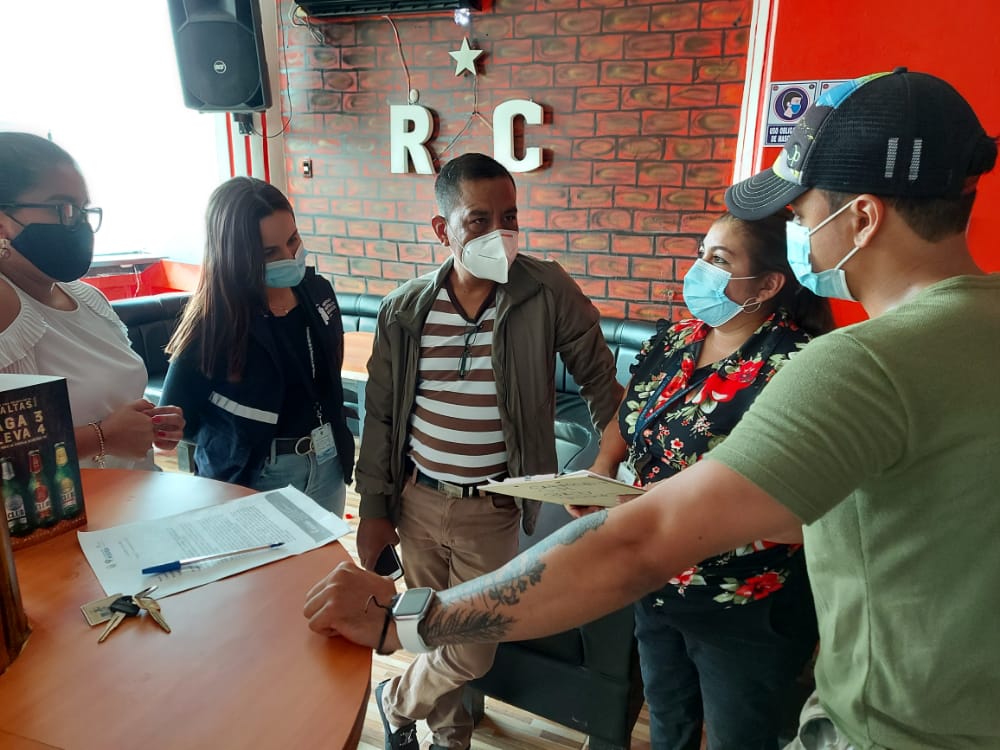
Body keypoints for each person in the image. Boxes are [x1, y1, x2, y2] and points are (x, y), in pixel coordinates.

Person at [304, 69, 1000, 750]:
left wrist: (406, 619)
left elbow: (637, 542)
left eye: (798, 212)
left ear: (863, 218)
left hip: (888, 722)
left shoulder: (852, 364)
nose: (795, 230)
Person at [353, 152, 623, 750]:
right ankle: (450, 739)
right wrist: (373, 509)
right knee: (429, 630)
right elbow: (381, 417)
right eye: (479, 220)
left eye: (509, 217)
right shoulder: (405, 309)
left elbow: (602, 384)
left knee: (472, 648)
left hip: (492, 509)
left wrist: (603, 468)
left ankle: (394, 701)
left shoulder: (545, 291)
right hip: (417, 502)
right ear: (442, 228)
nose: (499, 233)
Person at [572, 209, 831, 749]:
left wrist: (673, 508)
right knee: (668, 721)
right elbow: (629, 411)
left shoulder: (799, 366)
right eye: (701, 254)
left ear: (768, 285)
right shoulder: (674, 340)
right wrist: (601, 470)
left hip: (745, 604)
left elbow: (812, 509)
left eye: (719, 259)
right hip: (655, 578)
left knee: (739, 737)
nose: (699, 270)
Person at [160, 177, 355, 515]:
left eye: (293, 240)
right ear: (237, 256)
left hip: (326, 465)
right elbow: (177, 420)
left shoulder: (318, 292)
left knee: (327, 552)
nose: (290, 257)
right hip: (252, 475)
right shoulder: (213, 322)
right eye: (269, 253)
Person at [0, 132, 184, 468]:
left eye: (84, 210)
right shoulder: (7, 305)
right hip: (79, 503)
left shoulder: (86, 296)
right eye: (64, 209)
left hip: (139, 490)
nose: (80, 224)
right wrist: (104, 437)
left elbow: (112, 401)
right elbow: (12, 454)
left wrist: (149, 421)